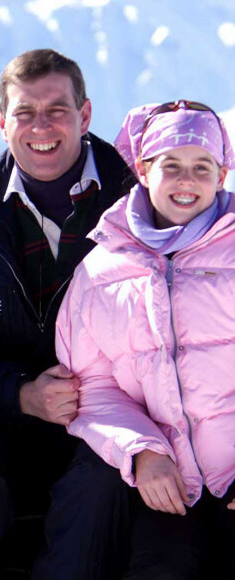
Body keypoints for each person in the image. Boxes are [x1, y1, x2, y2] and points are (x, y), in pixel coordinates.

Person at [0, 48, 134, 579]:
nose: (42, 126)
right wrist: (21, 393)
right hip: (4, 414)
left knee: (109, 469)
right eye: (24, 112)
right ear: (1, 121)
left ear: (84, 116)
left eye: (57, 109)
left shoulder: (138, 209)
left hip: (110, 414)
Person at [55, 100, 235, 578]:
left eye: (202, 167)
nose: (186, 180)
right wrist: (143, 451)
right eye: (170, 166)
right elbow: (91, 385)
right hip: (167, 488)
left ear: (221, 175)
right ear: (142, 169)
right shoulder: (100, 272)